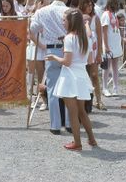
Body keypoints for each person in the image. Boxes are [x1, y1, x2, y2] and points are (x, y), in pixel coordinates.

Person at [45, 8, 97, 151]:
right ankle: (91, 139)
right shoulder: (86, 37)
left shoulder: (69, 38)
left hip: (70, 77)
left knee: (73, 112)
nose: (62, 22)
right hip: (81, 75)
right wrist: (86, 24)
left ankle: (77, 142)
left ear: (70, 22)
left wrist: (53, 57)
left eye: (64, 20)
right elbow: (90, 59)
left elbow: (67, 62)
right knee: (82, 111)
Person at [30, 0, 71, 135]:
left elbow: (31, 30)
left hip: (51, 49)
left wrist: (41, 45)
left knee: (52, 88)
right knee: (68, 88)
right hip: (67, 49)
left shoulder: (42, 12)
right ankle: (69, 122)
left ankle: (54, 125)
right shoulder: (68, 11)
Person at [77, 0, 105, 110]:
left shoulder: (95, 18)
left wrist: (99, 53)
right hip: (82, 49)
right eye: (87, 5)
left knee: (94, 75)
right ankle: (84, 101)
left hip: (93, 49)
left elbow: (99, 35)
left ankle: (99, 100)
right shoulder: (78, 17)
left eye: (91, 6)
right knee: (83, 75)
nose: (89, 8)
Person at [27, 0, 50, 111]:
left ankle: (45, 99)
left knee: (45, 75)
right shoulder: (33, 15)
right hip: (36, 47)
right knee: (36, 74)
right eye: (46, 3)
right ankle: (36, 98)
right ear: (40, 3)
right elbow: (29, 33)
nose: (48, 6)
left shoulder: (48, 15)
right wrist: (41, 45)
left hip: (46, 46)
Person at [101, 0, 123, 96]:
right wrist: (106, 45)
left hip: (116, 44)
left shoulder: (114, 14)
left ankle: (115, 87)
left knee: (115, 66)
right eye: (115, 4)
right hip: (109, 44)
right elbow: (104, 32)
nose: (117, 6)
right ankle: (105, 88)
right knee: (106, 67)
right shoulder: (106, 15)